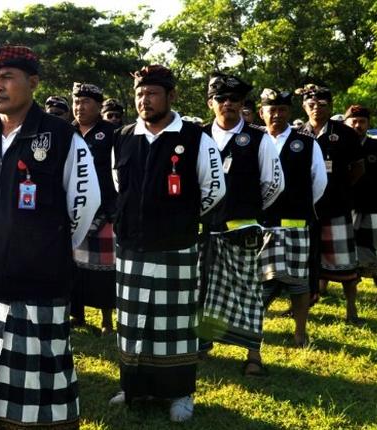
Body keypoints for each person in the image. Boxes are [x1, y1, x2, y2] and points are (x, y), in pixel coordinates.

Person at [0, 39, 100, 429]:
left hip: (41, 280)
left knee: (45, 377)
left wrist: (48, 248)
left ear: (33, 83)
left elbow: (84, 204)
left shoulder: (61, 137)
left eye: (8, 77)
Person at [109, 65, 225, 422]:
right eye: (140, 94)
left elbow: (214, 190)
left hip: (176, 246)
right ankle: (135, 387)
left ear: (171, 96)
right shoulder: (124, 136)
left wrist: (181, 217)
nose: (145, 100)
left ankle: (179, 393)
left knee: (173, 325)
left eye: (153, 93)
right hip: (131, 247)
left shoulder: (194, 138)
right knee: (133, 323)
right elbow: (119, 185)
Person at [197, 73, 284, 377]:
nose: (229, 104)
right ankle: (203, 343)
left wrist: (248, 208)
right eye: (222, 99)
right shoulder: (198, 136)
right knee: (204, 290)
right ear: (211, 103)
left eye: (235, 99)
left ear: (242, 104)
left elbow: (274, 184)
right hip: (204, 230)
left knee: (248, 291)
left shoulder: (258, 138)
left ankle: (253, 355)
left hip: (242, 230)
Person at [256, 88, 327, 360]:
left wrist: (299, 205)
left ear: (289, 112)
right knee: (260, 283)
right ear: (262, 113)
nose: (276, 115)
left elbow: (318, 183)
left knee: (299, 283)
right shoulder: (253, 141)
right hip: (261, 224)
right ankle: (256, 331)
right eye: (271, 110)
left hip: (295, 222)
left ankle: (300, 331)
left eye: (282, 110)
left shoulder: (306, 142)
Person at [297, 84, 365, 324]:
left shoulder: (345, 134)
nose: (316, 109)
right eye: (311, 105)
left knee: (344, 262)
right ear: (304, 107)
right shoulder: (298, 134)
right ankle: (301, 307)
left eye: (322, 105)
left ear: (330, 106)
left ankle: (351, 309)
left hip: (336, 206)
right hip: (306, 209)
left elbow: (358, 167)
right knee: (303, 261)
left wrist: (341, 187)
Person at [69, 82, 117, 334]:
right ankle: (77, 314)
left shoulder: (112, 133)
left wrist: (112, 208)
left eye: (86, 102)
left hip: (104, 210)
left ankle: (107, 319)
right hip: (73, 210)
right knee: (74, 267)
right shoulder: (67, 132)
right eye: (76, 102)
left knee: (104, 269)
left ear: (99, 105)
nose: (80, 107)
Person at [345, 105, 377, 306]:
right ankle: (325, 289)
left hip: (371, 206)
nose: (358, 125)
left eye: (362, 121)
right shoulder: (340, 146)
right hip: (345, 208)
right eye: (354, 121)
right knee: (344, 251)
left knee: (375, 249)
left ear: (368, 124)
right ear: (346, 123)